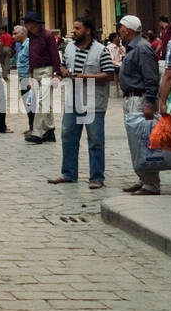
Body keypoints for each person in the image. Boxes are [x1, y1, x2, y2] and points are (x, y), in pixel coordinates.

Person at [47, 17, 113, 190]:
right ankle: (68, 174)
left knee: (95, 140)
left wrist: (86, 77)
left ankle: (97, 177)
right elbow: (61, 65)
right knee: (68, 136)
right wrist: (62, 71)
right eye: (73, 27)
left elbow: (109, 75)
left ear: (88, 31)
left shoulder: (101, 50)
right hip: (72, 100)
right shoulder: (69, 47)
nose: (73, 31)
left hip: (94, 102)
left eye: (77, 28)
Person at [118, 15, 161, 195]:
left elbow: (151, 77)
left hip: (140, 99)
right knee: (136, 142)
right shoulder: (133, 48)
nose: (119, 31)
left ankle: (151, 184)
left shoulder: (142, 48)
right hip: (131, 99)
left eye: (120, 28)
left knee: (144, 141)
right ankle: (143, 178)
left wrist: (149, 102)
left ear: (127, 30)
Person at [22, 11, 61, 145]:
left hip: (47, 70)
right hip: (36, 71)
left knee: (42, 102)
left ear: (34, 23)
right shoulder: (31, 36)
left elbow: (54, 54)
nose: (25, 24)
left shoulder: (48, 35)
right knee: (46, 103)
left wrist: (56, 73)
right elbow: (31, 56)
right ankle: (49, 131)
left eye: (27, 22)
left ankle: (37, 133)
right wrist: (30, 74)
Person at [13, 23, 33, 130]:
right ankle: (31, 127)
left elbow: (32, 62)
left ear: (23, 33)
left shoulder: (29, 45)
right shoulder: (21, 46)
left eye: (16, 34)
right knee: (28, 104)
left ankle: (33, 128)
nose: (13, 36)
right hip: (23, 80)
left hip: (28, 80)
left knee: (30, 104)